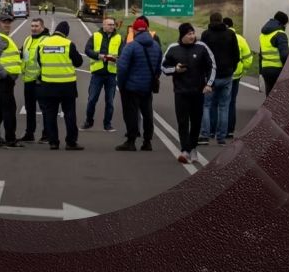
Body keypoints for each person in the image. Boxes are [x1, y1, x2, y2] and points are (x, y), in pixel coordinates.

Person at [161, 23, 216, 163]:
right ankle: (185, 150)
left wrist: (209, 84)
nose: (192, 36)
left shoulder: (202, 47)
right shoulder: (173, 48)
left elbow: (212, 66)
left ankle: (193, 148)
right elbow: (163, 67)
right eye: (188, 34)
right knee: (182, 122)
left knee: (196, 122)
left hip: (198, 92)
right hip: (180, 92)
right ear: (182, 35)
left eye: (193, 33)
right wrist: (175, 69)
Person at [115, 17, 163, 151]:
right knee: (147, 114)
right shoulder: (156, 46)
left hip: (131, 87)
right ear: (147, 29)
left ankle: (131, 141)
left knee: (131, 114)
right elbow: (159, 67)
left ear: (135, 30)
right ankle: (147, 142)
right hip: (147, 87)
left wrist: (121, 84)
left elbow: (122, 68)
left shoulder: (131, 46)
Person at [35, 21, 84, 151]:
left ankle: (53, 142)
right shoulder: (68, 44)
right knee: (69, 114)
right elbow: (79, 62)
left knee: (50, 115)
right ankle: (71, 142)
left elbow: (39, 61)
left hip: (48, 85)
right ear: (66, 33)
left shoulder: (43, 44)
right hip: (67, 86)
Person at [199, 11, 241, 146]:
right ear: (222, 20)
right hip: (227, 75)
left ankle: (205, 135)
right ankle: (221, 138)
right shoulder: (230, 34)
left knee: (206, 105)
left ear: (210, 21)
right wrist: (231, 69)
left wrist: (204, 72)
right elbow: (236, 54)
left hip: (210, 76)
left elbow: (202, 54)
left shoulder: (206, 34)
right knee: (224, 106)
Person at [0, 12, 23, 148]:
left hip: (4, 80)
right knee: (9, 110)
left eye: (9, 22)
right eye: (4, 22)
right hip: (3, 80)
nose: (8, 24)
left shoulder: (1, 36)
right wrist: (4, 75)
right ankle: (10, 139)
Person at [83, 17, 124, 131]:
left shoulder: (119, 38)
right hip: (98, 73)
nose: (112, 26)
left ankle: (107, 124)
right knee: (92, 99)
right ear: (104, 25)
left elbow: (123, 53)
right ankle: (88, 121)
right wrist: (98, 56)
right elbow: (87, 50)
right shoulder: (96, 36)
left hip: (111, 74)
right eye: (109, 24)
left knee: (110, 102)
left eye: (113, 24)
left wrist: (116, 59)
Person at [19, 17, 51, 143]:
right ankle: (29, 133)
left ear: (42, 27)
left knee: (45, 109)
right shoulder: (28, 39)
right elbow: (24, 56)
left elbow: (47, 61)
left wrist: (41, 77)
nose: (33, 28)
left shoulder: (46, 40)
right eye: (32, 26)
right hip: (28, 80)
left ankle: (47, 134)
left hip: (40, 81)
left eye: (36, 26)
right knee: (30, 108)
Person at [225, 17, 254, 140]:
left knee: (220, 103)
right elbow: (248, 57)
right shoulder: (240, 39)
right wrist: (244, 69)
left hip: (222, 74)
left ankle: (216, 129)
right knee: (232, 103)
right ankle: (230, 130)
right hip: (236, 75)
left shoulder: (220, 37)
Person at [259, 11, 289, 95]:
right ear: (282, 23)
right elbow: (284, 55)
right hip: (277, 70)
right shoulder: (280, 34)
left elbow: (261, 55)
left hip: (266, 69)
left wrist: (260, 71)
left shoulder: (263, 34)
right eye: (286, 24)